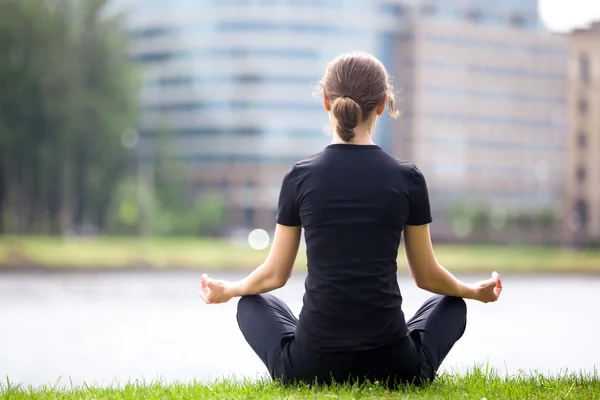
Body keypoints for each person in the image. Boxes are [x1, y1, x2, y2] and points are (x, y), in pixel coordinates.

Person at [199, 52, 503, 387]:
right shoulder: (407, 178)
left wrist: (229, 290)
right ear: (383, 104)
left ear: (326, 103)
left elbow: (274, 275)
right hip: (395, 368)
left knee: (252, 304)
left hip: (309, 367)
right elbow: (428, 276)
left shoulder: (300, 178)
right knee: (451, 303)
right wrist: (473, 292)